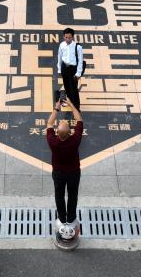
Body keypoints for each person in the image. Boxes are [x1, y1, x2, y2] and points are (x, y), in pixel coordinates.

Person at [47, 98, 83, 234]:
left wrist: (57, 107)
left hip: (58, 173)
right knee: (73, 195)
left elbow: (49, 123)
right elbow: (79, 120)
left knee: (59, 194)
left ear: (57, 132)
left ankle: (62, 218)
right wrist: (71, 105)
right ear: (70, 132)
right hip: (74, 173)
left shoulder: (53, 141)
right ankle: (71, 218)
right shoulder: (75, 140)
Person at [55, 28, 84, 109]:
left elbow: (80, 61)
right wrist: (59, 69)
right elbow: (59, 57)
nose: (68, 39)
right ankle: (69, 102)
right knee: (67, 87)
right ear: (63, 37)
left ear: (73, 37)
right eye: (66, 37)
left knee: (74, 89)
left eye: (70, 37)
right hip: (64, 67)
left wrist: (78, 73)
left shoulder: (78, 47)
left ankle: (76, 107)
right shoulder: (62, 45)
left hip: (73, 69)